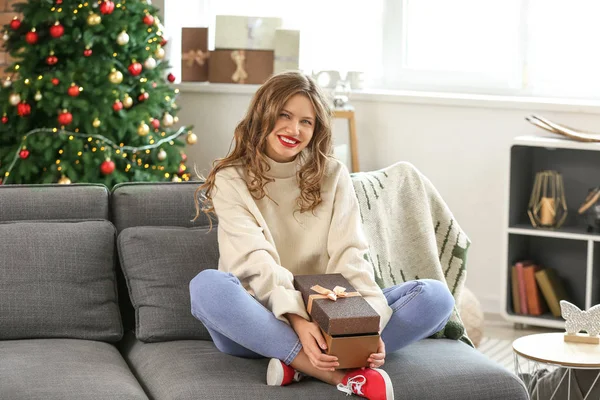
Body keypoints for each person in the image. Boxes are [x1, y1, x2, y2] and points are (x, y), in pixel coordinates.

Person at [189, 71, 455, 400]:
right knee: (207, 288)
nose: (294, 130)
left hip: (332, 317)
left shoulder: (332, 174)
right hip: (258, 318)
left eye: (307, 122)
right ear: (263, 115)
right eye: (284, 116)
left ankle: (294, 364)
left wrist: (366, 325)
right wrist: (299, 321)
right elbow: (255, 260)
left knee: (435, 297)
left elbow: (350, 254)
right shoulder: (231, 179)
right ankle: (337, 374)